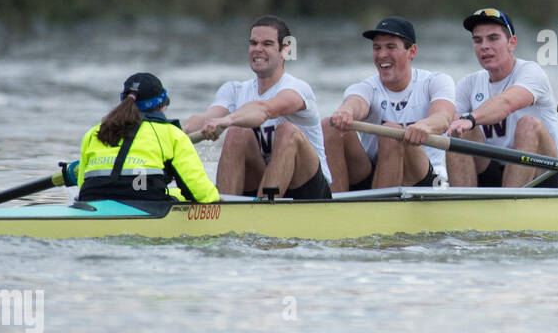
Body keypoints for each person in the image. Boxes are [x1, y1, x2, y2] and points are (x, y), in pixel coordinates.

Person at [185, 15, 332, 200]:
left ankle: (262, 213)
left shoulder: (298, 89)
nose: (258, 50)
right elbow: (205, 118)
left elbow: (265, 110)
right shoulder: (234, 89)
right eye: (253, 43)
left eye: (267, 44)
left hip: (307, 188)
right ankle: (223, 213)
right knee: (237, 133)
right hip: (263, 181)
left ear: (285, 50)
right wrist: (175, 131)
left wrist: (228, 120)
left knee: (287, 131)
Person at [324, 16, 455, 190]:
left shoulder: (436, 81)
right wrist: (346, 111)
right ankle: (333, 208)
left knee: (392, 133)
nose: (382, 55)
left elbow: (443, 117)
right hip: (375, 173)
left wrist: (425, 126)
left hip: (426, 179)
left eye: (390, 47)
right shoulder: (367, 87)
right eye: (377, 48)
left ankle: (380, 212)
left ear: (412, 52)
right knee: (329, 125)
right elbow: (356, 102)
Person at [446, 8, 558, 187]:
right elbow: (448, 124)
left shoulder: (531, 72)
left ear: (512, 42)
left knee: (528, 124)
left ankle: (509, 208)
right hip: (493, 171)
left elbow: (506, 103)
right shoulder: (468, 83)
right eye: (478, 40)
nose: (484, 46)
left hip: (542, 173)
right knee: (458, 130)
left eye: (493, 38)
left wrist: (470, 118)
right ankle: (461, 205)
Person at [78, 72, 219, 203]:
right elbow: (199, 192)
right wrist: (218, 200)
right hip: (145, 203)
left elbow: (81, 184)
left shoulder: (94, 132)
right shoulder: (172, 134)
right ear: (161, 105)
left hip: (91, 201)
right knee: (177, 195)